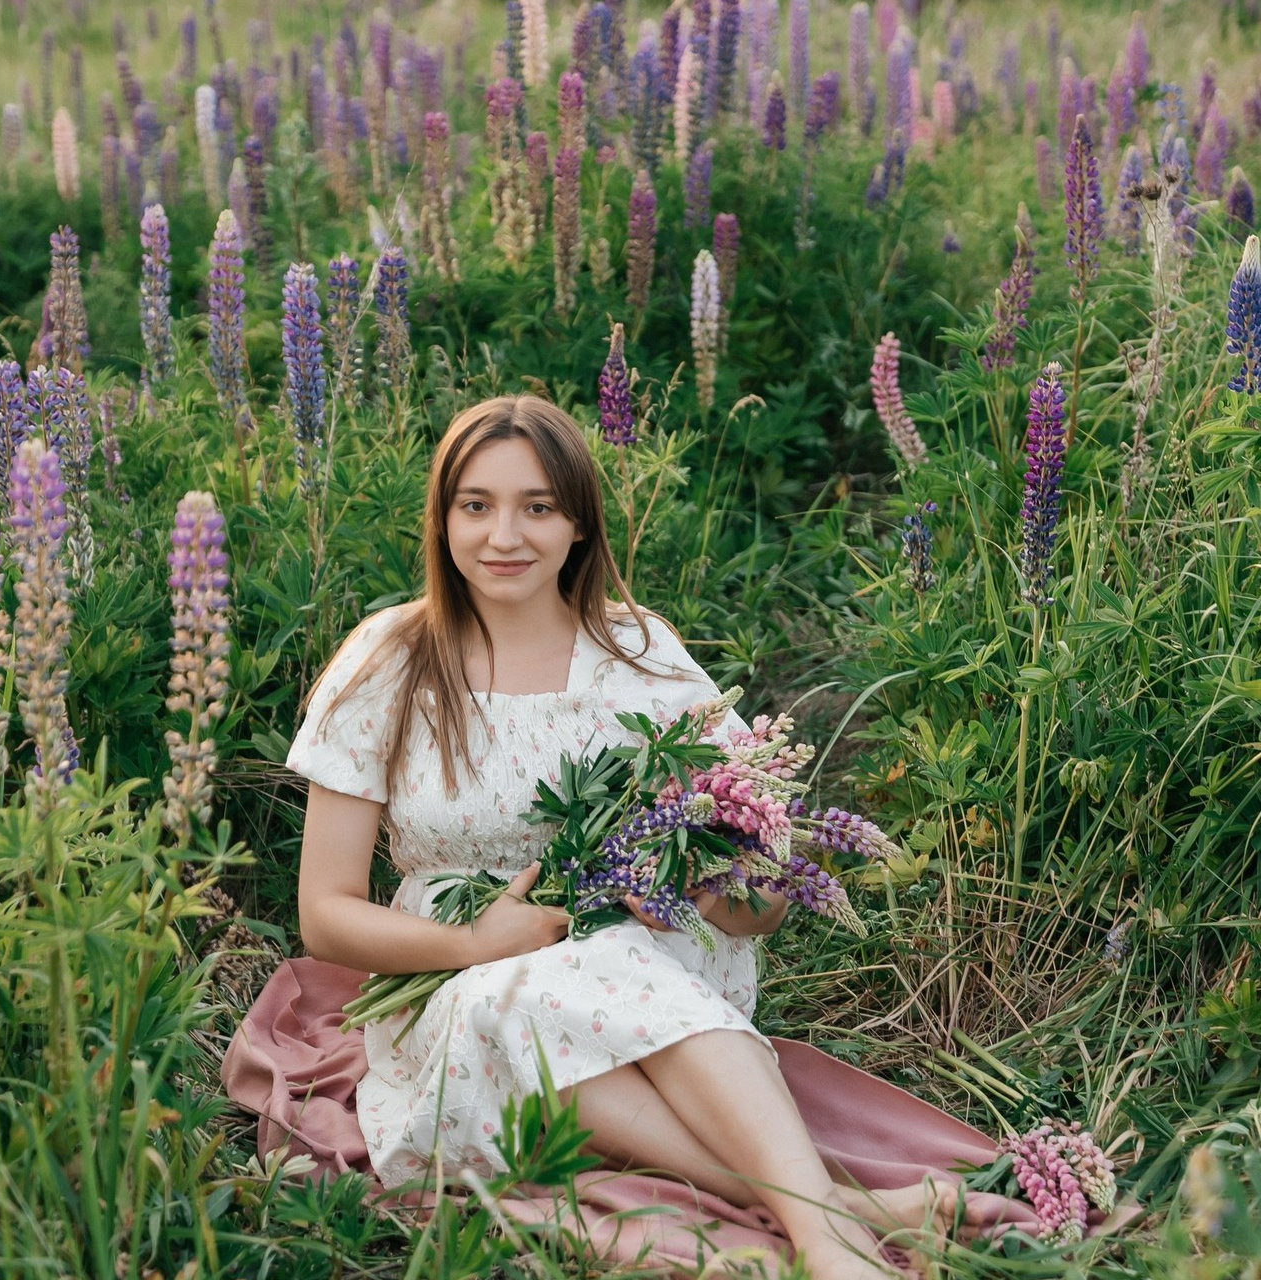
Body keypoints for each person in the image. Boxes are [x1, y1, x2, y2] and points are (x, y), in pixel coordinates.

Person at [266, 395, 983, 1279]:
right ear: (443, 518)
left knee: (599, 967)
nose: (505, 536)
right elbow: (325, 915)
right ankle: (837, 1218)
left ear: (578, 524)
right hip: (453, 977)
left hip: (650, 964)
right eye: (476, 505)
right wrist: (470, 943)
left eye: (538, 507)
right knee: (511, 995)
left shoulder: (640, 658)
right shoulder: (391, 661)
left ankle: (825, 1235)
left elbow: (750, 898)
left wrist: (738, 888)